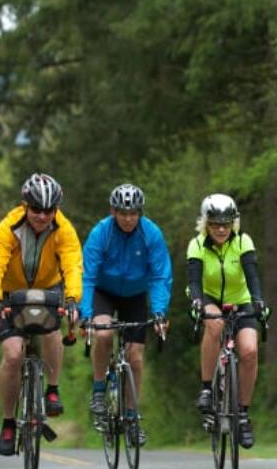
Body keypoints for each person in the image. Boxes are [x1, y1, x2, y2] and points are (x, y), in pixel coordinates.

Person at [0, 172, 82, 456]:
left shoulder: (63, 229)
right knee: (13, 355)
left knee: (53, 332)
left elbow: (73, 264)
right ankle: (9, 422)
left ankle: (52, 389)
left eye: (49, 210)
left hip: (47, 290)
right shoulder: (8, 227)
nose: (42, 216)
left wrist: (74, 299)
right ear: (25, 205)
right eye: (36, 209)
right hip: (10, 294)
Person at [81, 183, 172, 446]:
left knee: (135, 357)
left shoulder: (151, 233)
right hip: (103, 292)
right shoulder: (101, 233)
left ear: (140, 213)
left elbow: (160, 275)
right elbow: (87, 275)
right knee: (105, 333)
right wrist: (86, 314)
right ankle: (99, 390)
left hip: (135, 294)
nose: (129, 218)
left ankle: (132, 418)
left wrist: (158, 311)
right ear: (113, 211)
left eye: (134, 213)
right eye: (123, 213)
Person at [187, 193, 267, 448]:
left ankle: (242, 414)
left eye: (226, 223)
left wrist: (258, 302)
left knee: (250, 351)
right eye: (215, 224)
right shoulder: (197, 245)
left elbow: (252, 276)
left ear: (234, 222)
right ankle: (207, 389)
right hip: (208, 297)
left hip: (239, 297)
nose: (221, 229)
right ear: (205, 224)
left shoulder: (243, 241)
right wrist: (198, 304)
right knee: (215, 323)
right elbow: (194, 282)